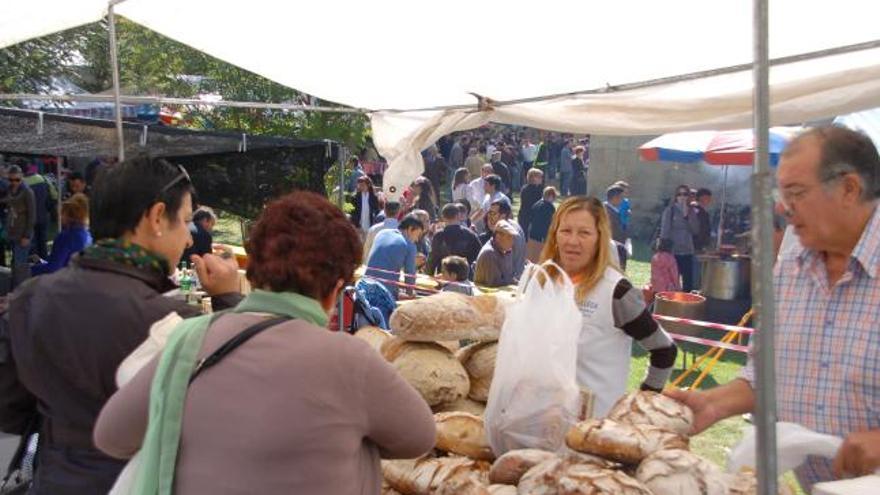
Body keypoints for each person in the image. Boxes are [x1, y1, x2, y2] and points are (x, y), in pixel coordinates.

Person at [93, 191, 435, 494]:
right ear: (336, 288)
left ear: (253, 271)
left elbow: (110, 435)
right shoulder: (350, 359)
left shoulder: (188, 340)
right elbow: (419, 436)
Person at [0, 156, 243, 494]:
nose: (189, 240)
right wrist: (230, 299)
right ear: (157, 217)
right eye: (185, 222)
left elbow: (8, 414)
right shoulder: (171, 324)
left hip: (53, 480)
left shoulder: (29, 299)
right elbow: (235, 409)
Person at [667, 126, 880, 490]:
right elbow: (764, 374)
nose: (781, 207)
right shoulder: (794, 256)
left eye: (796, 192)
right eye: (781, 193)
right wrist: (713, 403)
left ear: (849, 188)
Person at [540, 196, 677, 416]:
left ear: (599, 238)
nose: (572, 241)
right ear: (555, 235)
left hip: (593, 432)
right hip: (544, 424)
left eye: (584, 233)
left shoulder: (617, 291)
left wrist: (637, 409)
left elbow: (664, 350)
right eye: (565, 231)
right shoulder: (545, 282)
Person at [364, 214, 424, 300]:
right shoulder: (410, 245)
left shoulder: (381, 233)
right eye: (417, 235)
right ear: (410, 229)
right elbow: (410, 276)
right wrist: (411, 294)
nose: (417, 239)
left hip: (365, 286)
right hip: (384, 294)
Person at [31, 193, 92, 276]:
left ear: (68, 215)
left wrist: (31, 269)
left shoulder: (66, 237)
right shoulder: (88, 236)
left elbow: (54, 268)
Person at [659, 184, 700, 291]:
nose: (682, 197)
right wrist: (664, 250)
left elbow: (695, 230)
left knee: (688, 282)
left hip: (687, 250)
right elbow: (664, 231)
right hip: (673, 250)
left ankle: (686, 304)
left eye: (685, 194)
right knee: (673, 281)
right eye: (679, 194)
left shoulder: (692, 211)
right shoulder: (670, 210)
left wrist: (687, 216)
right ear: (676, 196)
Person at [426, 203, 482, 276]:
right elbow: (480, 254)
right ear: (458, 216)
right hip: (464, 276)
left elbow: (433, 259)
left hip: (444, 276)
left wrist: (429, 275)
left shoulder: (439, 236)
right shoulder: (469, 234)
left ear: (443, 217)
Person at [2, 165, 35, 287]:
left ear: (21, 177)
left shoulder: (28, 192)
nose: (14, 182)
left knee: (20, 264)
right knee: (14, 262)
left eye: (17, 180)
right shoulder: (9, 189)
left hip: (23, 234)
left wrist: (27, 235)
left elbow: (32, 215)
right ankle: (14, 288)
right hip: (12, 232)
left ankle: (21, 290)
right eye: (11, 180)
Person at [23, 164, 58, 260]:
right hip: (43, 216)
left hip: (28, 219)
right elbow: (54, 196)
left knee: (32, 245)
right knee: (43, 242)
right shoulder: (43, 179)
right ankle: (44, 262)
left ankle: (35, 265)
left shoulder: (21, 183)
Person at [474, 219, 518, 288]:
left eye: (513, 238)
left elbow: (508, 276)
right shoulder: (489, 253)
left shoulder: (506, 251)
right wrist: (513, 281)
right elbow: (494, 283)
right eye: (509, 237)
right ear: (498, 237)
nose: (512, 242)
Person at [526, 186, 557, 262]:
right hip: (543, 238)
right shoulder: (549, 207)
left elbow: (530, 221)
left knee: (531, 259)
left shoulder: (536, 204)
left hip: (533, 235)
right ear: (551, 196)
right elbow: (551, 223)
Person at [604, 185, 628, 270]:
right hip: (610, 248)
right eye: (621, 197)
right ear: (615, 197)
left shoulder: (614, 210)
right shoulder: (605, 211)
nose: (623, 200)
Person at [518, 168, 545, 235]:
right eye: (540, 177)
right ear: (534, 178)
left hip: (525, 217)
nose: (542, 179)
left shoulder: (526, 188)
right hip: (529, 218)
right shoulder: (532, 190)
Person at [692, 188, 713, 252]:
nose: (709, 201)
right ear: (702, 198)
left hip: (699, 245)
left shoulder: (704, 213)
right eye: (708, 198)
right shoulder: (693, 211)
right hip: (693, 244)